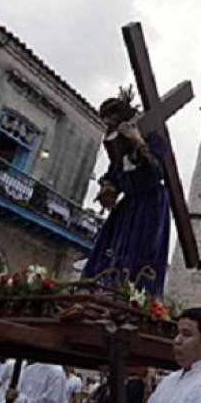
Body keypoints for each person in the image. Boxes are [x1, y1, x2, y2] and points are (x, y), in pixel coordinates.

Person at [82, 87, 172, 295]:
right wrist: (108, 189)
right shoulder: (118, 150)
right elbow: (113, 175)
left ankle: (134, 291)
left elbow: (158, 169)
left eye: (112, 119)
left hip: (150, 202)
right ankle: (103, 286)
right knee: (110, 246)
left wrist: (138, 142)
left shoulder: (151, 137)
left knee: (140, 248)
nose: (109, 125)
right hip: (130, 203)